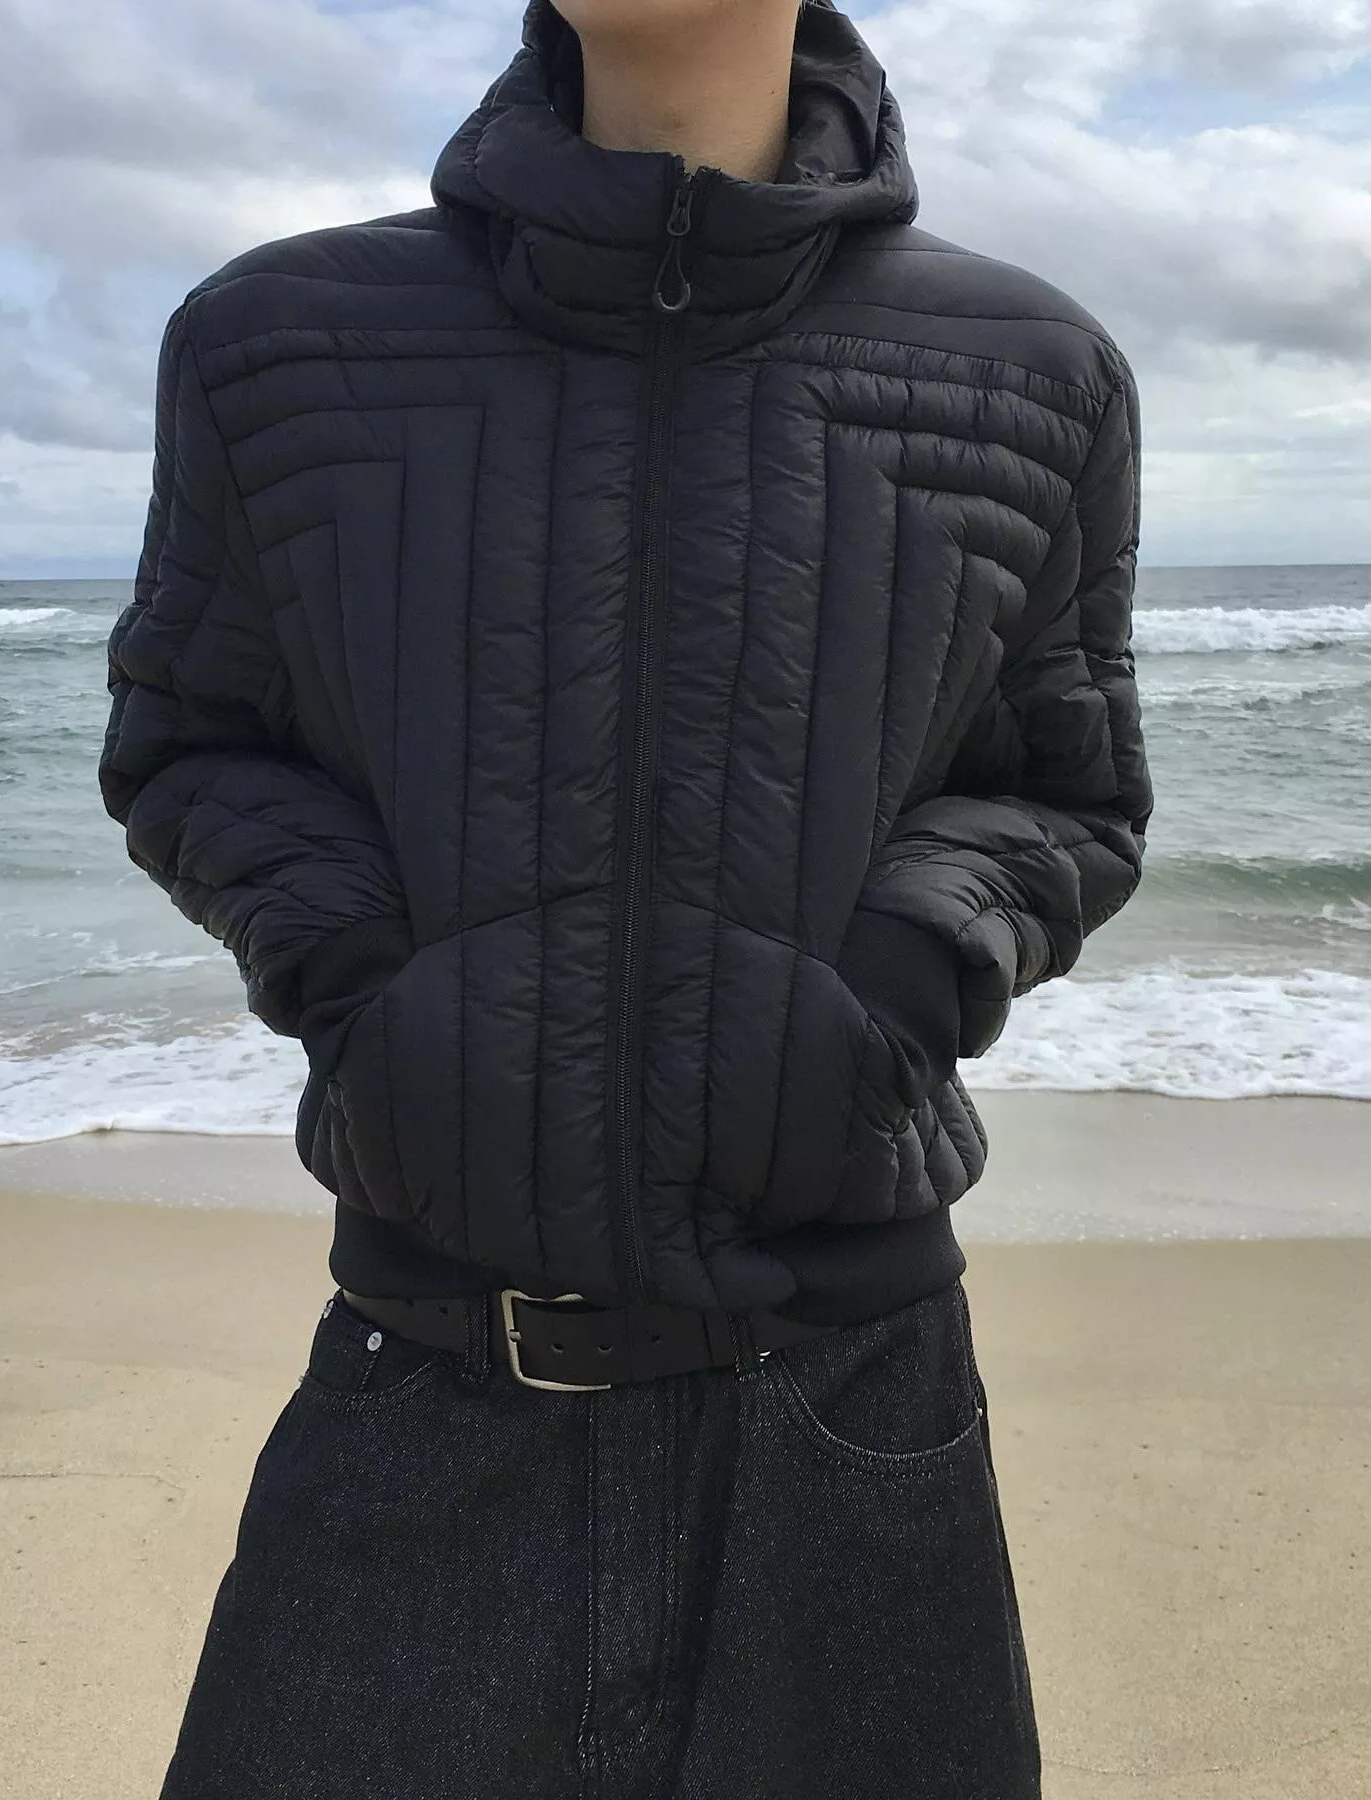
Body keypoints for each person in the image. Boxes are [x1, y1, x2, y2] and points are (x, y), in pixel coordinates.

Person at [99, 0, 1152, 1793]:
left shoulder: (1036, 369)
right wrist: (373, 989)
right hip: (422, 1394)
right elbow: (196, 742)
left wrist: (889, 986)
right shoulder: (271, 341)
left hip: (852, 1417)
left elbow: (1064, 791)